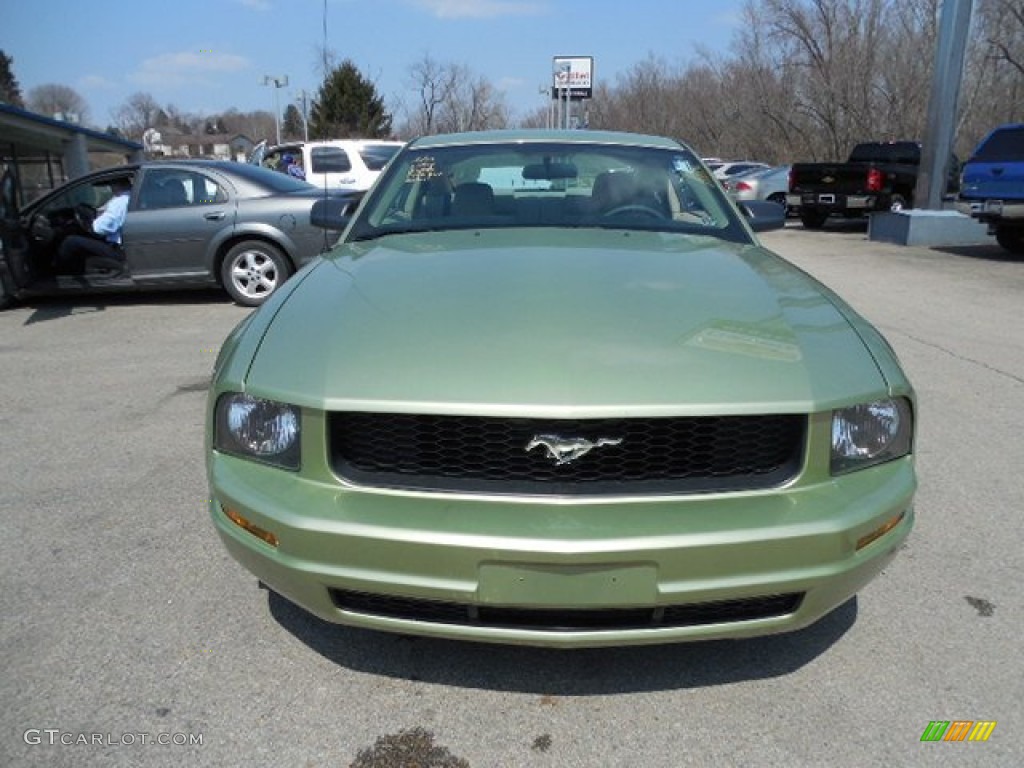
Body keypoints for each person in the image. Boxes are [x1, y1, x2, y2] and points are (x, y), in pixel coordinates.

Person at [56, 176, 132, 278]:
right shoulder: (127, 198)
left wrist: (90, 222)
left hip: (118, 250)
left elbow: (99, 228)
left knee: (70, 241)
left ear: (116, 185)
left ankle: (61, 274)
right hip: (123, 246)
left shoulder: (120, 202)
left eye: (111, 185)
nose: (111, 188)